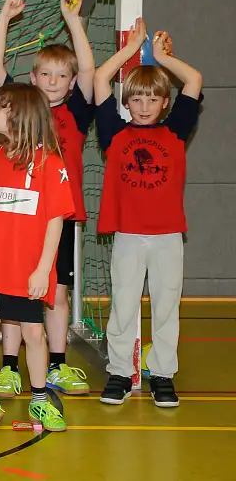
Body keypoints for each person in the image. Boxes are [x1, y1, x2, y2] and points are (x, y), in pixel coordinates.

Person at [0, 0, 95, 397]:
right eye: (45, 74)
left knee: (56, 293)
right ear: (32, 79)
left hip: (60, 217)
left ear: (70, 82)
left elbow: (87, 67)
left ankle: (57, 364)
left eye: (61, 76)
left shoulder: (77, 112)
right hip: (18, 217)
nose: (53, 81)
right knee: (15, 291)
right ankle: (10, 368)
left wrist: (73, 20)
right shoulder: (22, 106)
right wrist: (3, 16)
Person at [94, 20, 202, 408]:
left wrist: (161, 58)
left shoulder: (174, 132)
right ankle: (121, 372)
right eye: (136, 100)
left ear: (164, 103)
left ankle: (162, 374)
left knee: (166, 304)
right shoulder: (114, 133)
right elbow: (101, 78)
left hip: (167, 235)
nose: (143, 107)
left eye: (151, 100)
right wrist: (131, 47)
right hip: (128, 235)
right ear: (127, 102)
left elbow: (194, 80)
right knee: (123, 304)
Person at [0, 82, 73, 433]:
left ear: (17, 115)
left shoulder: (50, 165)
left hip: (27, 271)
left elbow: (55, 222)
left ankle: (39, 401)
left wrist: (43, 269)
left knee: (34, 334)